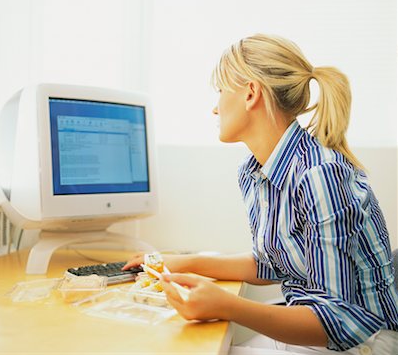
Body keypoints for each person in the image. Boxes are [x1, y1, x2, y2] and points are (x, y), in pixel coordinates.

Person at [122, 34, 398, 354]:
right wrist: (177, 262)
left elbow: (339, 320)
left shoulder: (319, 174)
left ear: (251, 93)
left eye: (221, 91)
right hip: (314, 329)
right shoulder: (254, 171)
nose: (215, 108)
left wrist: (226, 306)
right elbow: (271, 264)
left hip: (362, 343)